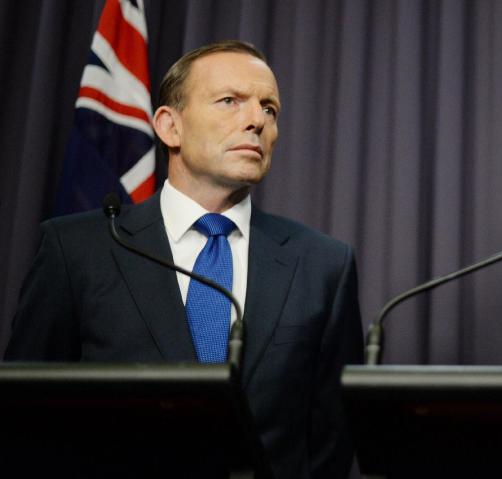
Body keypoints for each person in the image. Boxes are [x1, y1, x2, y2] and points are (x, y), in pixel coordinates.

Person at [5, 41, 363, 478]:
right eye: (230, 101)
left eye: (269, 109)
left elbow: (332, 438)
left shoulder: (323, 264)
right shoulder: (77, 249)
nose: (256, 120)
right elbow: (25, 418)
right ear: (169, 126)